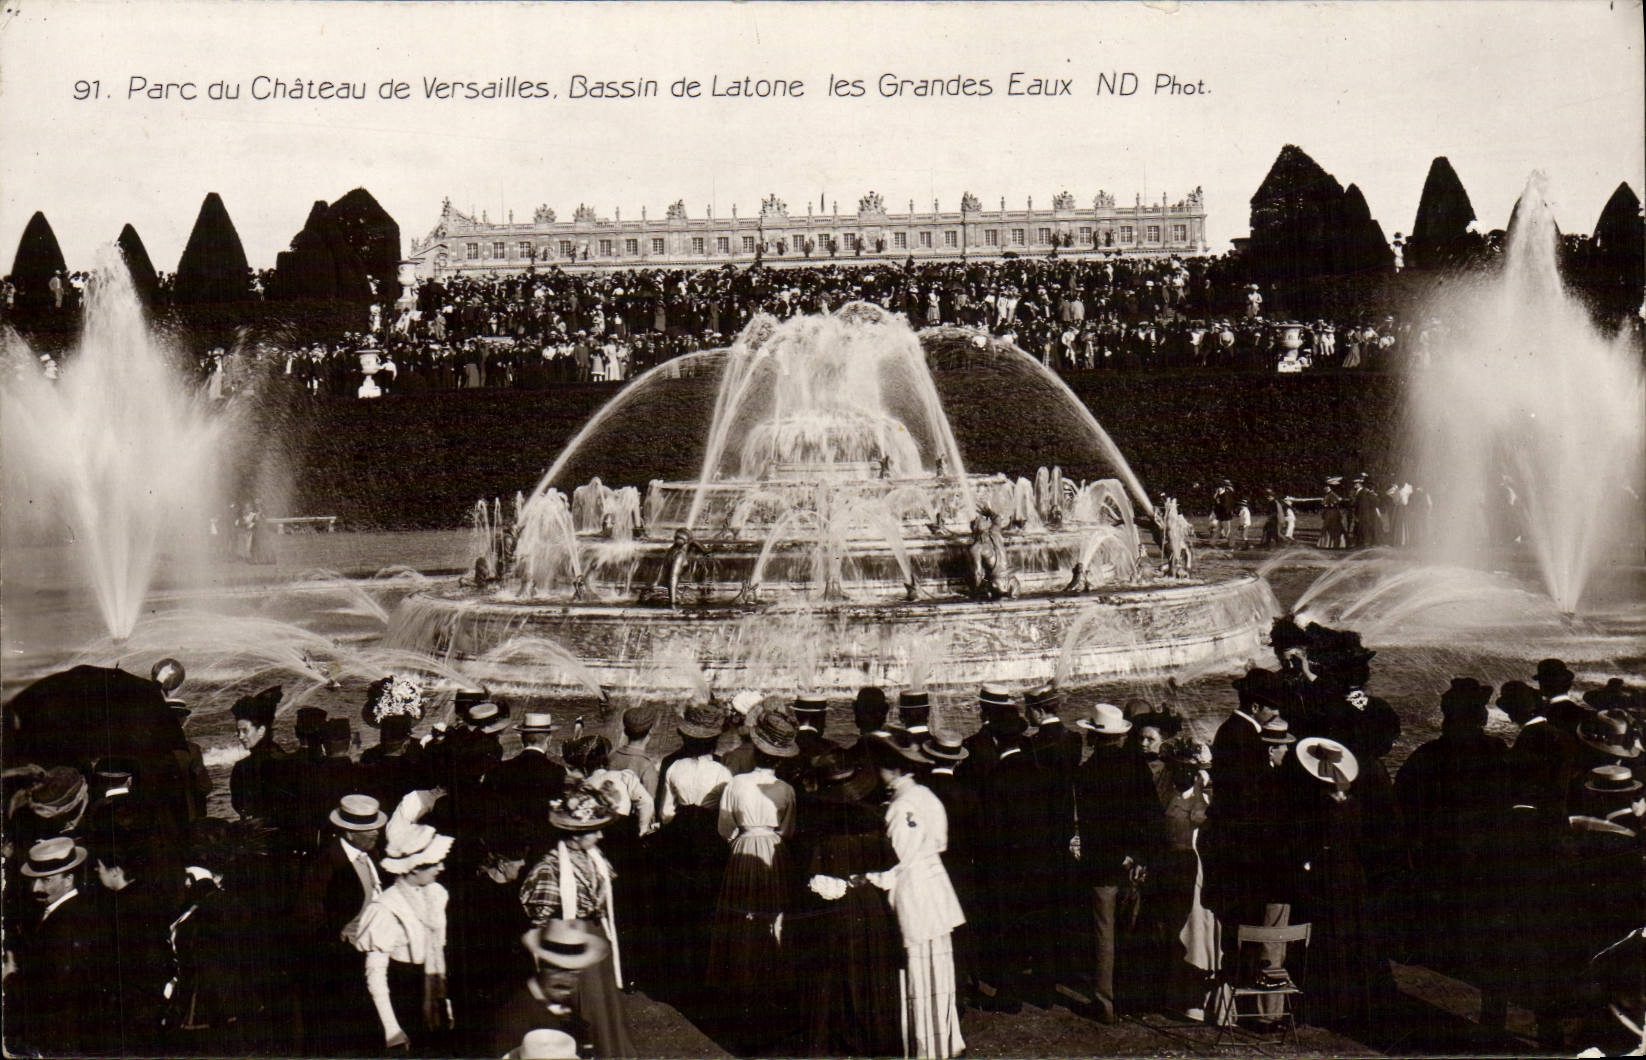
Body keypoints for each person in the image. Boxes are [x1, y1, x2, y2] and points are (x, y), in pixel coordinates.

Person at [792, 749, 904, 1057]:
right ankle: (872, 1037)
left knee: (834, 972)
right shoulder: (875, 822)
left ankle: (837, 1038)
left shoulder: (820, 831)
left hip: (837, 907)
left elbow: (813, 878)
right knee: (872, 969)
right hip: (869, 904)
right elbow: (891, 868)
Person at [867, 736, 967, 1059]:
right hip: (936, 886)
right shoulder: (927, 796)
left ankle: (923, 1047)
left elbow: (896, 860)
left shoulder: (900, 807)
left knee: (918, 974)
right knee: (938, 970)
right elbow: (938, 843)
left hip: (914, 892)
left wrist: (867, 879)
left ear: (892, 769)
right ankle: (946, 1041)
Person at [519, 784, 636, 1059]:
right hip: (571, 944)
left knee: (604, 1008)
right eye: (593, 830)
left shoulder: (593, 858)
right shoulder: (550, 868)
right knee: (587, 1010)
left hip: (596, 940)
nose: (600, 835)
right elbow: (540, 919)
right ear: (575, 834)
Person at [707, 709, 800, 1052]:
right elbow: (788, 830)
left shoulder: (736, 783)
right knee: (773, 916)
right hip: (774, 852)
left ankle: (741, 987)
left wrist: (741, 839)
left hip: (743, 849)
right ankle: (773, 983)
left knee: (741, 917)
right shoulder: (787, 789)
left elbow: (723, 827)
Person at [1072, 703, 1161, 1025]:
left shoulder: (1087, 773)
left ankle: (1105, 1002)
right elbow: (1151, 815)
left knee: (1104, 933)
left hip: (1102, 864)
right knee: (1133, 930)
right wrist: (1140, 855)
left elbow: (1094, 825)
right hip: (1135, 863)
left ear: (1093, 735)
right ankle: (1133, 997)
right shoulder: (1136, 766)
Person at [297, 793, 388, 1057]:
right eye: (367, 829)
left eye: (376, 826)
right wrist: (341, 943)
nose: (376, 832)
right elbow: (309, 916)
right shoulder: (326, 863)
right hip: (342, 962)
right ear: (348, 833)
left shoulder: (369, 853)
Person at [354, 820, 455, 1054]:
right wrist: (392, 1029)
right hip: (403, 995)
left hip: (433, 987)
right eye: (433, 863)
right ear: (414, 867)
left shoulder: (437, 893)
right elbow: (376, 973)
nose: (440, 868)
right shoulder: (386, 908)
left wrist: (444, 1001)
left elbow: (437, 951)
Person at [8, 837, 107, 1057]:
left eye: (46, 881)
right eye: (34, 881)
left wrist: (11, 979)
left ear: (68, 878)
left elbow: (56, 987)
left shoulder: (68, 921)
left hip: (62, 1037)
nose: (36, 888)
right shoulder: (68, 911)